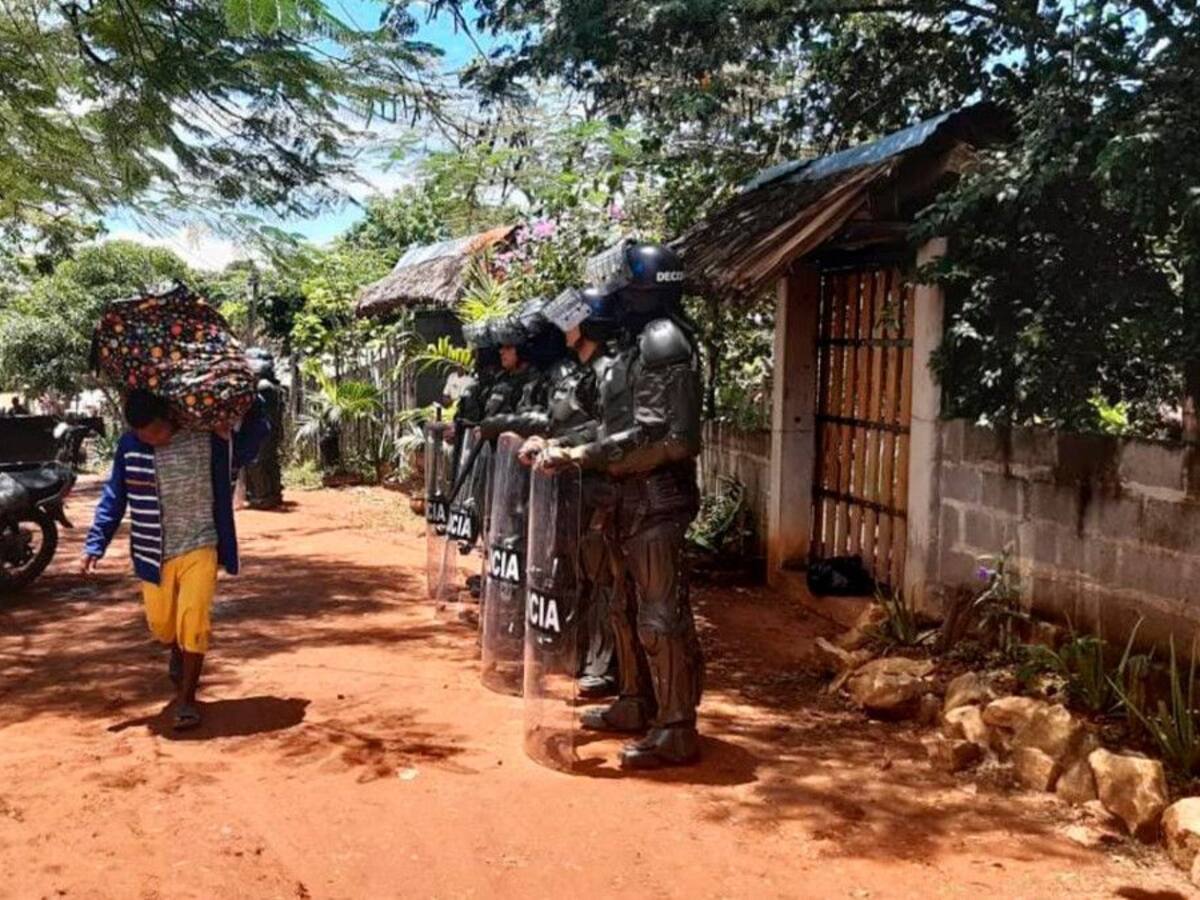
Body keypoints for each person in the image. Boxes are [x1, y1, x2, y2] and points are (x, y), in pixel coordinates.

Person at [542, 242, 705, 769]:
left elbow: (667, 437)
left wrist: (585, 453)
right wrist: (575, 448)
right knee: (623, 608)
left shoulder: (661, 338)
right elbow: (618, 426)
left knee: (660, 616)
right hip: (627, 496)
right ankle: (636, 702)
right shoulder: (638, 345)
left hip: (656, 498)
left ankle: (676, 726)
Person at [80, 389, 269, 730]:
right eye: (143, 434)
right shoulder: (129, 447)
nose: (152, 438)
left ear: (170, 416)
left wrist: (253, 399)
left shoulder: (208, 437)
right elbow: (114, 497)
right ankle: (176, 650)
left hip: (201, 544)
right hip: (153, 553)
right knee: (163, 626)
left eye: (156, 430)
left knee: (194, 620)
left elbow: (254, 437)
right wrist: (96, 544)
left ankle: (186, 699)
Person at [517, 288, 621, 697]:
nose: (565, 328)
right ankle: (576, 653)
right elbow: (565, 422)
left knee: (601, 580)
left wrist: (562, 446)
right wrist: (545, 438)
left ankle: (606, 667)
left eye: (572, 320)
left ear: (589, 325)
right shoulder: (578, 370)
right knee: (576, 574)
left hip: (600, 489)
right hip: (569, 488)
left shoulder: (608, 371)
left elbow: (608, 430)